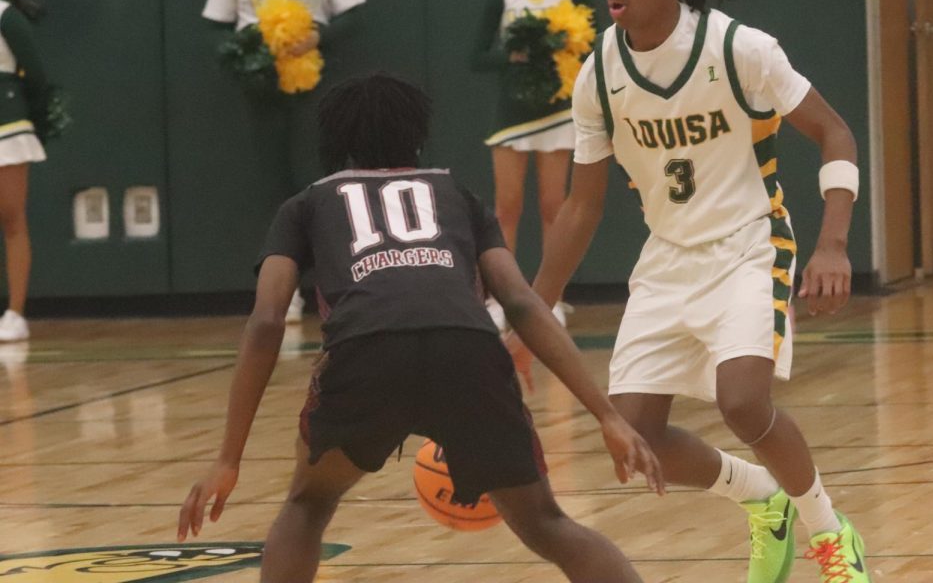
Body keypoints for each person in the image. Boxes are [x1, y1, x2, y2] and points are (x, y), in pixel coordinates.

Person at [531, 0, 872, 583]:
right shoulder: (600, 74)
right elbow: (583, 204)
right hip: (667, 260)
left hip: (751, 245)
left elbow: (835, 132)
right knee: (633, 431)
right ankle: (763, 500)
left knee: (744, 402)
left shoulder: (738, 49)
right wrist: (533, 306)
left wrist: (834, 243)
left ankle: (828, 536)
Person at [177, 72, 663, 583]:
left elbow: (268, 319)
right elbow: (520, 301)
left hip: (365, 351)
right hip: (468, 347)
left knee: (307, 504)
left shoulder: (306, 204)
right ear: (417, 132)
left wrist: (228, 459)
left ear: (336, 139)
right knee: (546, 523)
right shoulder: (456, 193)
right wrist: (607, 415)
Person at [203, 0, 366, 323]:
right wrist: (243, 56)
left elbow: (353, 14)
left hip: (313, 83)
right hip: (263, 87)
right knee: (276, 186)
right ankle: (285, 289)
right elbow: (217, 26)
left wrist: (320, 37)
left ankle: (335, 284)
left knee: (321, 178)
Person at [473, 0, 592, 328]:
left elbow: (596, 41)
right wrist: (514, 55)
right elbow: (476, 56)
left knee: (553, 206)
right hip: (512, 114)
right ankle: (500, 297)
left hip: (559, 110)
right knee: (507, 207)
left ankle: (549, 296)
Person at [0, 0, 49, 344]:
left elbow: (36, 75)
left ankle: (15, 313)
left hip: (7, 127)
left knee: (11, 218)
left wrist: (36, 119)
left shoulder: (7, 17)